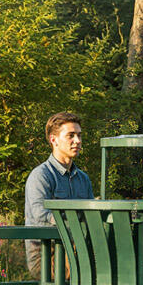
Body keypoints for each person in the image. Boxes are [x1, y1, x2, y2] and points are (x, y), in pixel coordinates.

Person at [22, 111, 92, 275]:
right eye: (71, 136)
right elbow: (40, 216)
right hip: (47, 256)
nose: (78, 141)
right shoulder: (40, 176)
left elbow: (91, 217)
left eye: (79, 135)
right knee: (100, 263)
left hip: (77, 249)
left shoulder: (83, 179)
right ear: (54, 140)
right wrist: (75, 225)